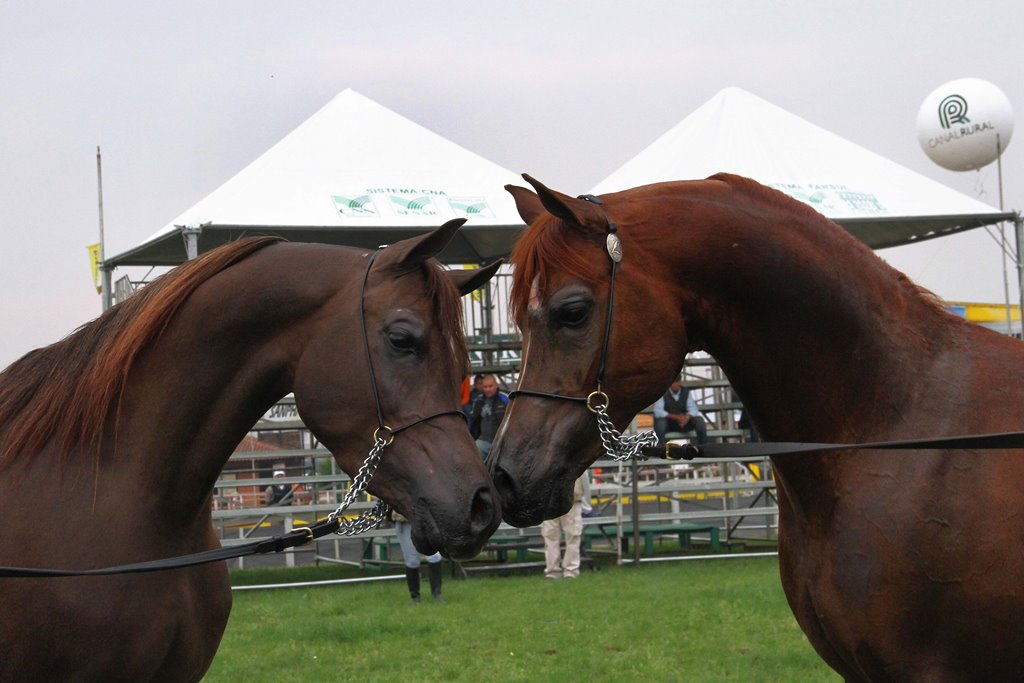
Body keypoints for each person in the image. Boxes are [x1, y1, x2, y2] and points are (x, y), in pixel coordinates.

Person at [393, 511, 444, 603]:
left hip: (428, 520)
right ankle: (415, 597)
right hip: (404, 521)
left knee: (434, 556)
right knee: (412, 561)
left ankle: (437, 595)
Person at [541, 475, 584, 579]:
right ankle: (564, 570)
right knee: (556, 536)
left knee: (569, 535)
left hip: (569, 499)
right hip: (553, 499)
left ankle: (565, 570)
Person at [653, 374, 708, 446]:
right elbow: (658, 411)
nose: (675, 384)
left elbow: (693, 409)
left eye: (677, 382)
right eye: (673, 382)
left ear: (680, 382)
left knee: (699, 420)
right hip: (669, 423)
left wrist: (687, 417)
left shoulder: (686, 392)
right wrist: (676, 417)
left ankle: (702, 447)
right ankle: (659, 449)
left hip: (684, 422)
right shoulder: (663, 392)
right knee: (660, 422)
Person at [468, 374, 509, 458]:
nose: (488, 389)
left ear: (496, 385)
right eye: (485, 387)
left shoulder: (505, 399)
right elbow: (473, 422)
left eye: (490, 386)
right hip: (483, 441)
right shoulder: (478, 401)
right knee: (471, 457)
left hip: (502, 443)